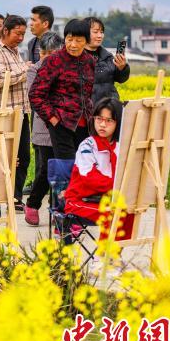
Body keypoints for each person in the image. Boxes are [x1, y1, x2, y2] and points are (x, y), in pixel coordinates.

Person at [64, 97, 134, 242]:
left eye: (109, 121)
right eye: (99, 119)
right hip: (79, 202)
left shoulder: (120, 147)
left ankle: (114, 255)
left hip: (106, 200)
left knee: (130, 212)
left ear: (118, 123)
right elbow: (91, 179)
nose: (102, 124)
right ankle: (101, 258)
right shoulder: (87, 146)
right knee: (113, 215)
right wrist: (119, 187)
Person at [30, 19, 96, 161]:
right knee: (67, 169)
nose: (73, 45)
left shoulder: (90, 61)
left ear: (86, 41)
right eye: (69, 39)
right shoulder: (54, 61)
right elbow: (36, 94)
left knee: (84, 166)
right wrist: (53, 119)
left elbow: (88, 93)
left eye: (78, 40)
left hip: (85, 125)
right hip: (62, 124)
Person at [0, 14, 30, 211]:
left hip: (21, 112)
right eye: (17, 34)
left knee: (23, 156)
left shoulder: (15, 52)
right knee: (4, 157)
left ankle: (15, 197)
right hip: (3, 113)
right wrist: (25, 71)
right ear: (6, 31)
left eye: (23, 34)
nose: (20, 38)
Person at [24, 31, 63, 226]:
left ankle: (58, 211)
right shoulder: (34, 70)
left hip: (64, 127)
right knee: (46, 170)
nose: (46, 58)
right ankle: (32, 203)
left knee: (62, 170)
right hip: (44, 126)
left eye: (52, 54)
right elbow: (36, 97)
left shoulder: (66, 68)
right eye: (44, 53)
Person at [84, 16, 130, 104]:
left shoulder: (107, 57)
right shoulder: (77, 57)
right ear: (84, 33)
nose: (100, 36)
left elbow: (121, 79)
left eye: (101, 32)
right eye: (95, 32)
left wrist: (122, 68)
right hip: (88, 110)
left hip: (109, 108)